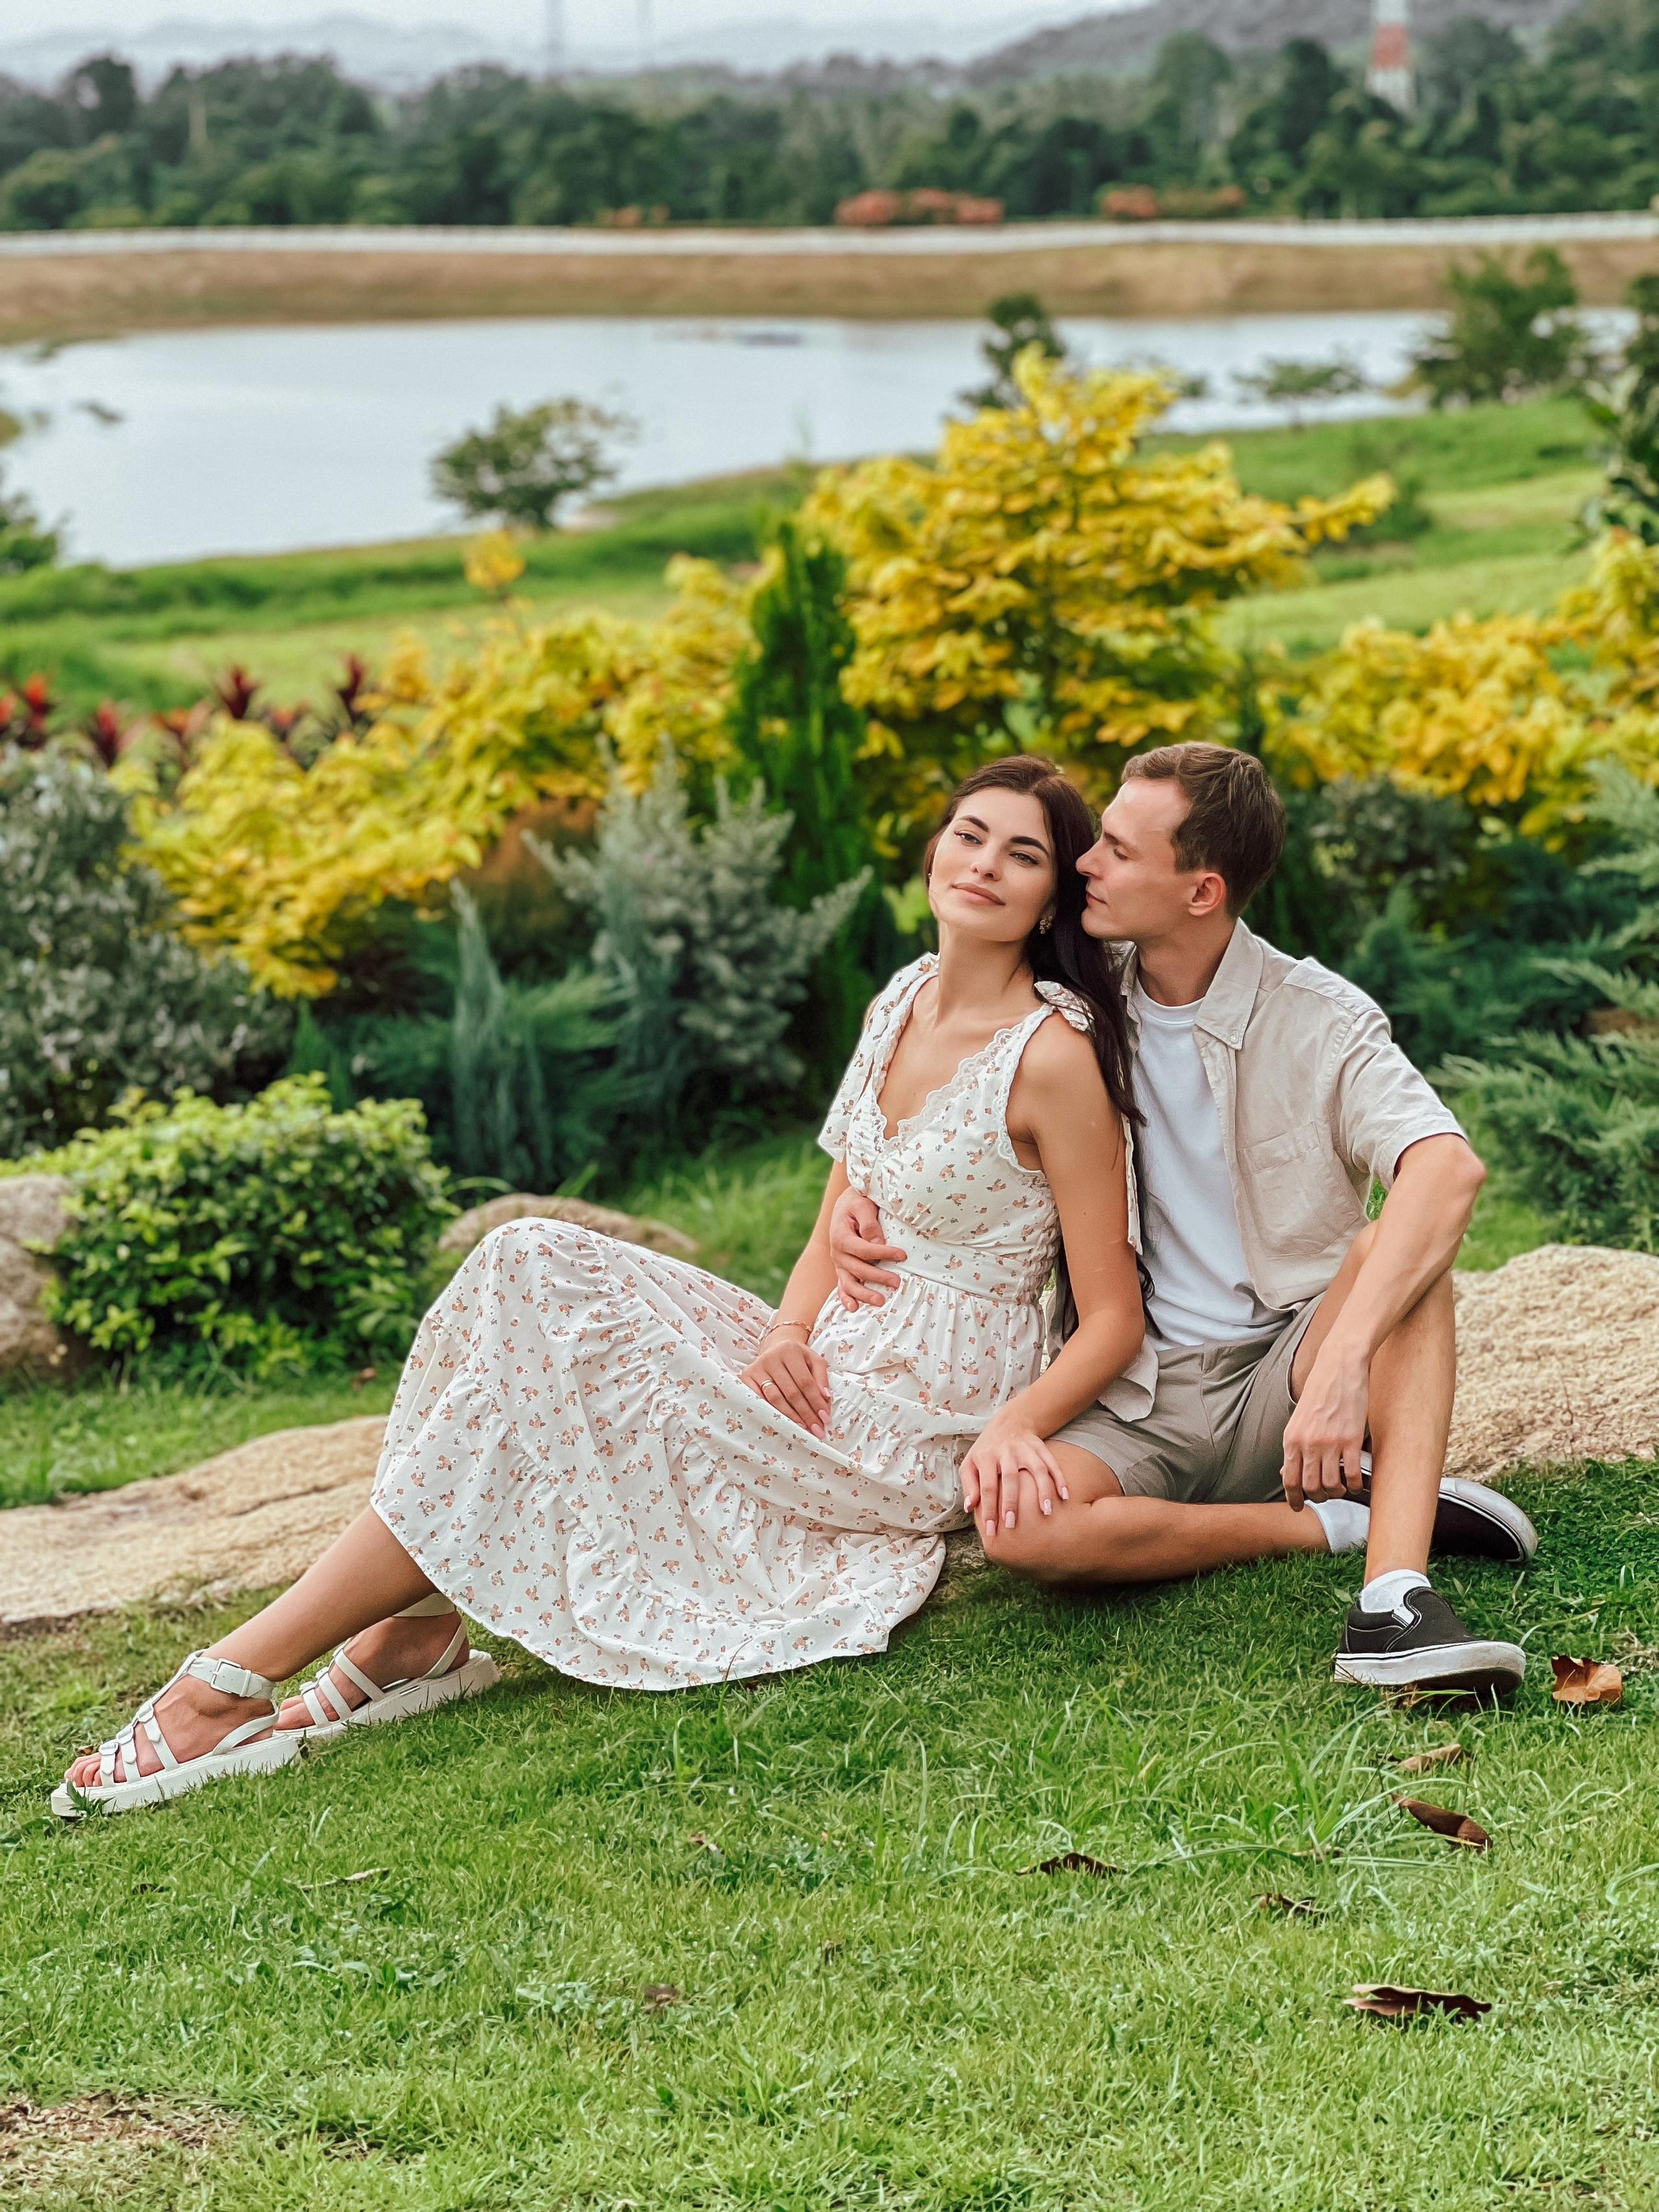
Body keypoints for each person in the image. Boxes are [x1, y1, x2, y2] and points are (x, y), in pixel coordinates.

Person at [55, 756, 1150, 1819]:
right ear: (933, 847)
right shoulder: (901, 998)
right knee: (526, 1270)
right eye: (970, 834)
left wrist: (1016, 1425)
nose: (985, 866)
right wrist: (783, 1325)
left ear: (1054, 892)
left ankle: (261, 1673)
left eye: (1023, 855)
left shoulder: (1051, 1054)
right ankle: (380, 1643)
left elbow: (1111, 1315)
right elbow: (837, 1215)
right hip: (822, 1362)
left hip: (918, 1414)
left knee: (543, 1324)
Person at [831, 743, 1537, 1696]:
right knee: (1019, 1527)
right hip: (1139, 1386)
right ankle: (1338, 1518)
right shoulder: (1078, 994)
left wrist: (1336, 1372)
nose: (1087, 862)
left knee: (1400, 1252)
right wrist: (863, 1205)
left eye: (1118, 850)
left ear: (1201, 892)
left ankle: (1393, 1603)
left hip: (1287, 1369)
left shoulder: (1320, 1018)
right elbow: (950, 1084)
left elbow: (1449, 1168)